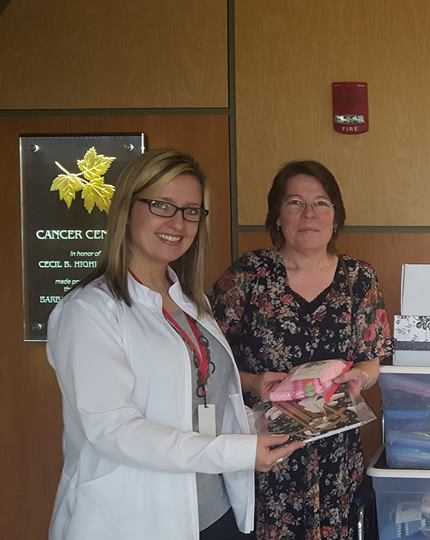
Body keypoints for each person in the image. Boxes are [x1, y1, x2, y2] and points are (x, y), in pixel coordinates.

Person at [47, 150, 302, 540]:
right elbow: (113, 429)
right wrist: (236, 451)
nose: (177, 223)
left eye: (190, 211)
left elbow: (199, 402)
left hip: (214, 510)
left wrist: (261, 417)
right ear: (127, 208)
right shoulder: (88, 311)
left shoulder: (190, 302)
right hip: (134, 521)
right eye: (161, 205)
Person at [212, 160, 392, 539]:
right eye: (295, 203)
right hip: (266, 451)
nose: (309, 214)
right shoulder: (248, 275)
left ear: (336, 217)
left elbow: (372, 360)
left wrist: (360, 377)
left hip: (336, 454)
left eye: (321, 203)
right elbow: (210, 361)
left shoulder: (359, 278)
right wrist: (252, 381)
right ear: (277, 216)